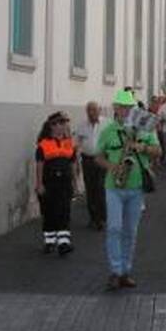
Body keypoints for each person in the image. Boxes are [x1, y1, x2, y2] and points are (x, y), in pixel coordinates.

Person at [97, 90, 161, 291]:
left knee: (130, 232)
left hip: (136, 186)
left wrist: (142, 148)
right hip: (114, 186)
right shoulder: (108, 131)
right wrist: (112, 167)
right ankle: (115, 271)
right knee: (114, 228)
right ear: (115, 108)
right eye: (122, 107)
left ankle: (125, 271)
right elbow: (98, 157)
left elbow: (158, 151)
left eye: (129, 107)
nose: (126, 111)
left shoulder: (145, 128)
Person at [35, 111, 80, 256]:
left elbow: (73, 164)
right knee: (49, 212)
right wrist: (39, 184)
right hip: (49, 184)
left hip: (64, 184)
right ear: (52, 126)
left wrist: (75, 184)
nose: (63, 126)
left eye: (64, 123)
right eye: (60, 123)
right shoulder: (44, 144)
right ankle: (49, 242)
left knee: (64, 211)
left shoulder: (69, 143)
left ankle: (63, 243)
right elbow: (40, 165)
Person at [74, 101, 108, 230]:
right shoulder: (82, 125)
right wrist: (76, 159)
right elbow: (77, 142)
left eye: (94, 110)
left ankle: (102, 218)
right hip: (87, 159)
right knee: (90, 188)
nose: (91, 113)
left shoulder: (107, 124)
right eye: (89, 110)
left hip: (102, 158)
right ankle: (93, 217)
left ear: (99, 110)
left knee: (101, 187)